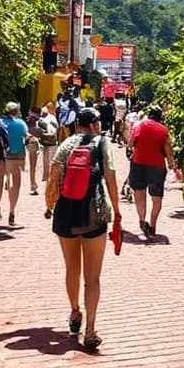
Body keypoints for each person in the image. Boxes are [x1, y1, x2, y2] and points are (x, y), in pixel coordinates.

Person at [44, 107, 122, 352]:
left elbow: (53, 175)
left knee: (71, 268)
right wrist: (117, 210)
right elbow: (110, 177)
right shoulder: (102, 143)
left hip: (66, 212)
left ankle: (75, 311)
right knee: (93, 277)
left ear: (77, 124)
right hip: (93, 213)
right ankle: (90, 330)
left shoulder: (66, 144)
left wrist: (50, 204)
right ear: (96, 124)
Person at [126, 105, 180, 238]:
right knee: (157, 198)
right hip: (157, 166)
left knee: (139, 193)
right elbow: (169, 154)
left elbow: (131, 143)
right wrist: (175, 168)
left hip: (139, 163)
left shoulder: (139, 125)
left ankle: (142, 220)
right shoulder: (163, 130)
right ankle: (153, 225)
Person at [2, 102, 31, 223]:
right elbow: (27, 136)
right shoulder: (21, 123)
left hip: (5, 155)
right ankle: (12, 210)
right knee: (17, 183)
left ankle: (6, 179)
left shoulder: (2, 123)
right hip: (18, 155)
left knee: (8, 176)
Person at [37, 105, 61, 181]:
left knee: (46, 157)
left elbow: (38, 129)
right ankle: (46, 175)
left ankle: (46, 175)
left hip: (45, 139)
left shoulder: (41, 119)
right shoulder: (52, 117)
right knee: (48, 157)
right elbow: (57, 127)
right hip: (51, 140)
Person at [25, 106, 42, 195]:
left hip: (27, 143)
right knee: (33, 166)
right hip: (33, 143)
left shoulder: (28, 121)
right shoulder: (38, 121)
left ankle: (7, 181)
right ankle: (33, 184)